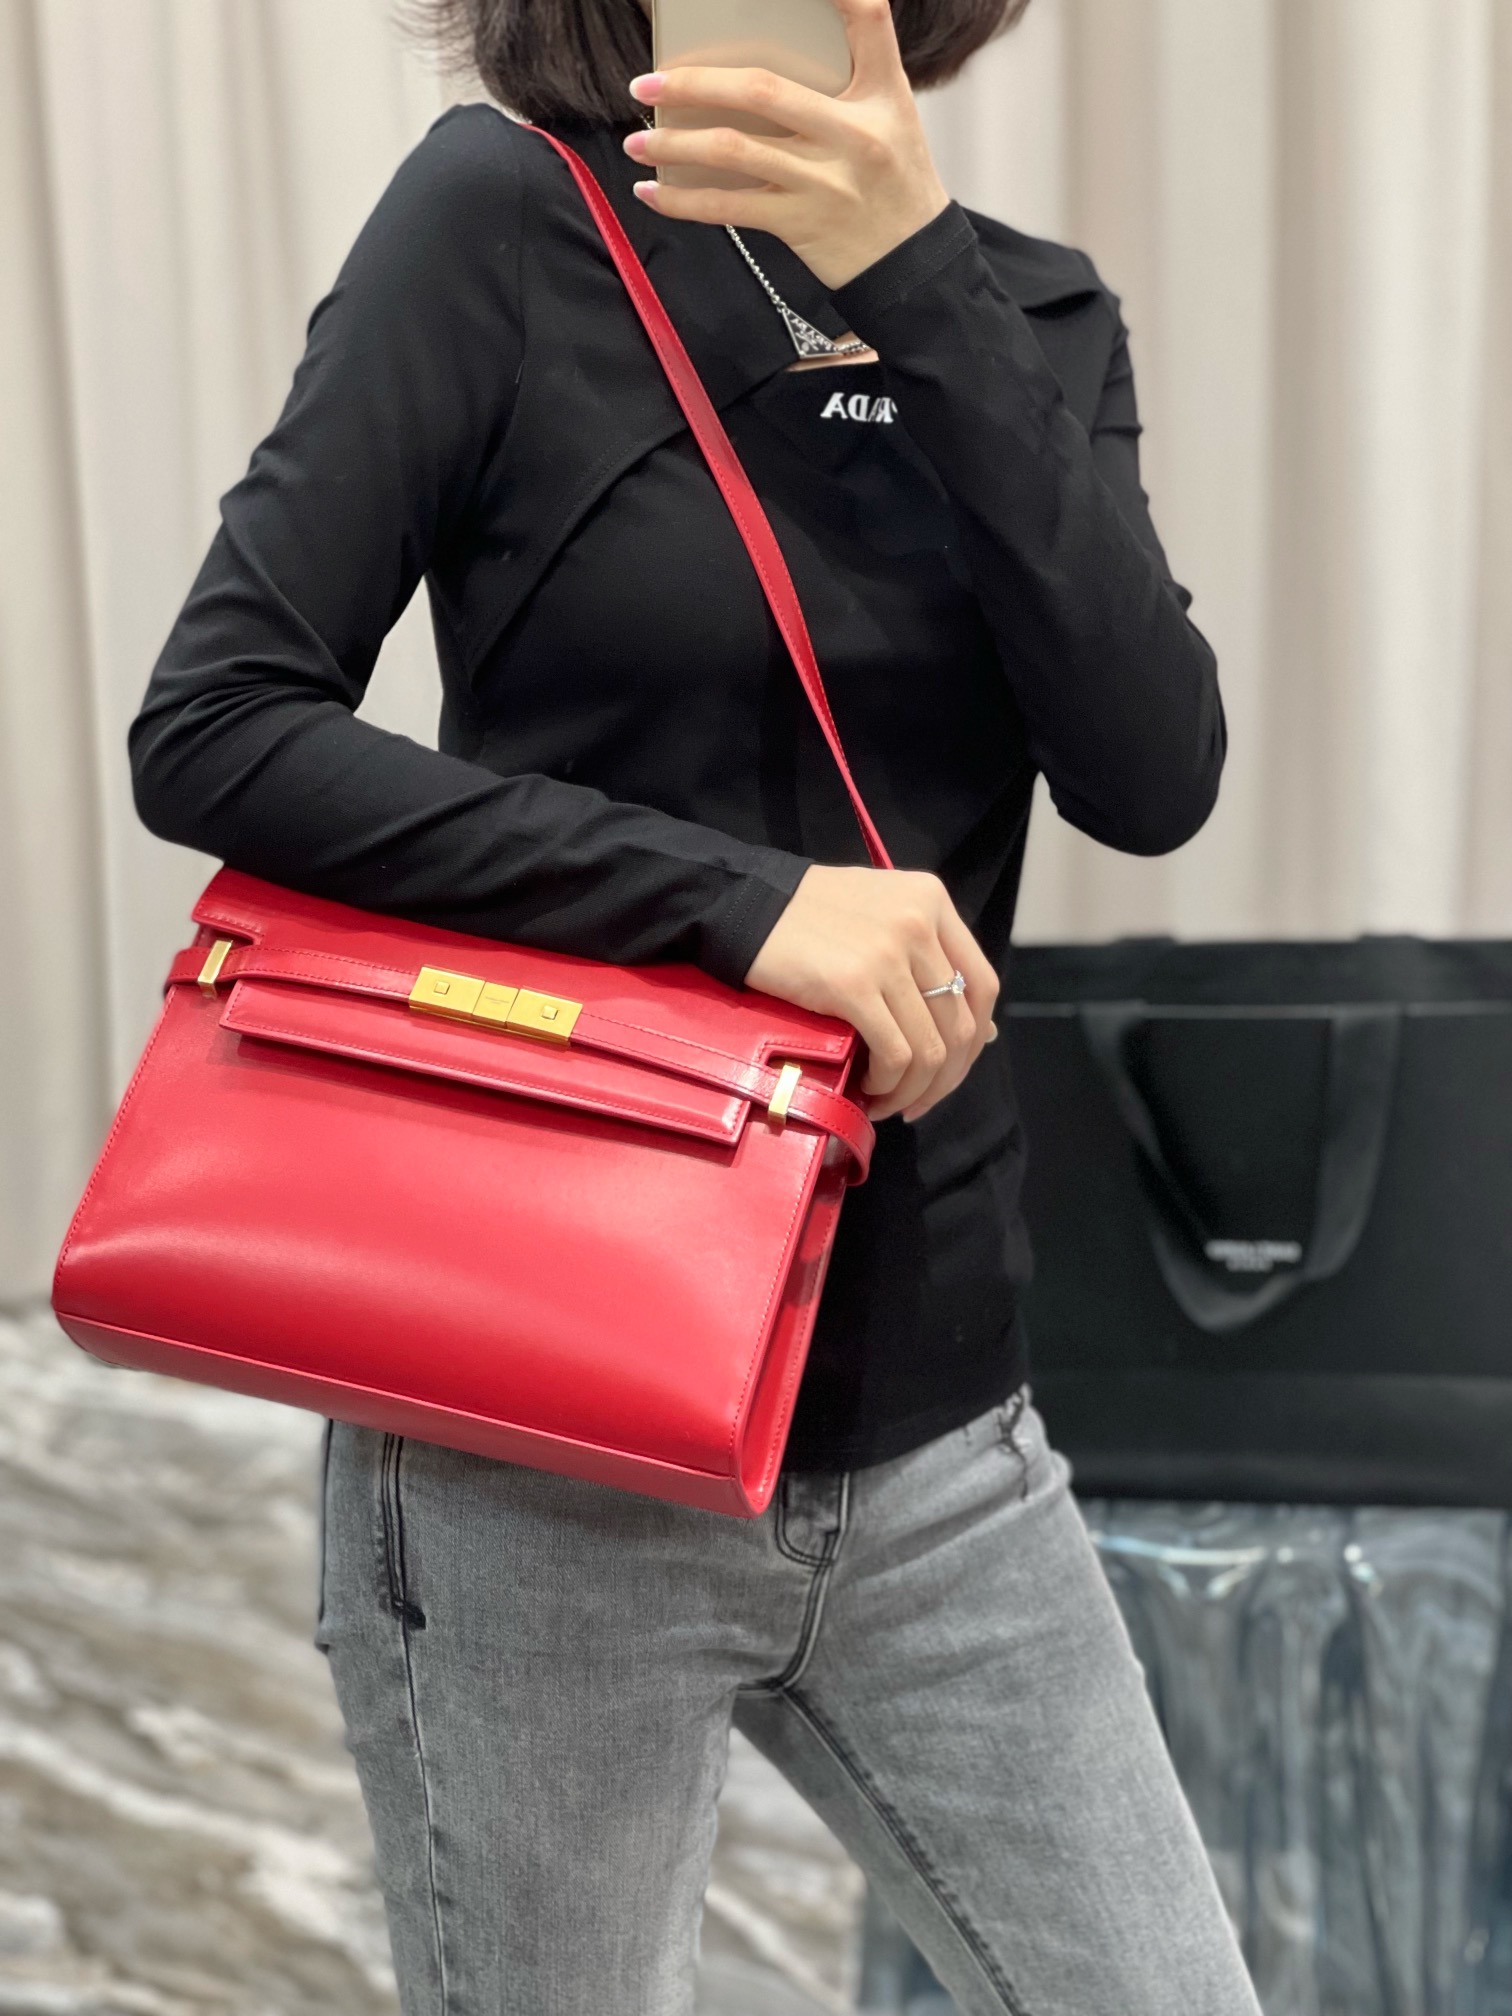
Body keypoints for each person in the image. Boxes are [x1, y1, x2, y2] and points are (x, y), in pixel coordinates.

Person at [128, 0, 1262, 2008]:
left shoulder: (1030, 312)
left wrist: (918, 280)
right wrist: (743, 911)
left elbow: (1151, 774)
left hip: (942, 1446)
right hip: (543, 1423)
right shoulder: (502, 220)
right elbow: (217, 725)